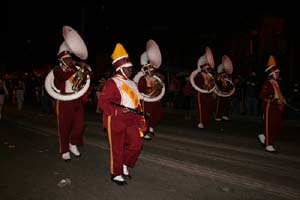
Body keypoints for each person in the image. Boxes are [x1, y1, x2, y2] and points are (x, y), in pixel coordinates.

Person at [99, 43, 145, 185]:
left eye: (130, 67)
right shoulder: (112, 82)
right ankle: (116, 173)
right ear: (121, 68)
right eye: (129, 68)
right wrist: (117, 111)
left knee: (136, 145)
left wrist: (140, 120)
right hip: (116, 119)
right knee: (117, 147)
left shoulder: (132, 83)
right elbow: (103, 102)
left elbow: (137, 103)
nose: (131, 69)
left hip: (131, 119)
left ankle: (124, 164)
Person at [51, 25, 92, 161]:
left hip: (76, 100)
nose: (70, 60)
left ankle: (73, 143)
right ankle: (64, 150)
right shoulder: (57, 69)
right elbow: (62, 77)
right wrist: (76, 68)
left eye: (70, 58)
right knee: (64, 126)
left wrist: (85, 69)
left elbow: (89, 77)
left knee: (80, 124)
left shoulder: (75, 68)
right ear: (62, 60)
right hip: (63, 100)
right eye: (67, 59)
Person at [133, 39, 164, 140]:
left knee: (158, 114)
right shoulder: (141, 78)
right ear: (145, 69)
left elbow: (159, 87)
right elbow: (140, 90)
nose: (152, 70)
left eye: (152, 69)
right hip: (145, 100)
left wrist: (157, 92)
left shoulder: (155, 78)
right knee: (145, 117)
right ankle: (143, 132)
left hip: (154, 99)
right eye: (149, 69)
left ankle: (151, 126)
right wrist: (148, 94)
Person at [257, 55, 286, 153]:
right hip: (270, 106)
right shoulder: (268, 82)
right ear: (272, 73)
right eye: (277, 73)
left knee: (276, 125)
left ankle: (264, 137)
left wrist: (282, 99)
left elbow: (278, 93)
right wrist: (273, 98)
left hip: (276, 106)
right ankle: (268, 144)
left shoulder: (275, 82)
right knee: (270, 125)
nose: (278, 74)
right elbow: (262, 95)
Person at [190, 47, 215, 129]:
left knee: (209, 106)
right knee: (201, 107)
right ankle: (201, 121)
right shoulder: (199, 75)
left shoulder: (209, 75)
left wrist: (210, 83)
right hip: (201, 92)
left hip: (208, 92)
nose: (207, 68)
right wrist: (205, 84)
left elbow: (212, 83)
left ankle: (206, 120)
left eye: (208, 67)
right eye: (206, 67)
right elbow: (198, 83)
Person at [214, 55, 235, 121]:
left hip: (227, 92)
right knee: (219, 105)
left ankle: (225, 115)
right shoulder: (219, 76)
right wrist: (220, 79)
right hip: (221, 92)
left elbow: (230, 84)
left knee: (227, 105)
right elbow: (217, 83)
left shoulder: (228, 76)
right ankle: (218, 116)